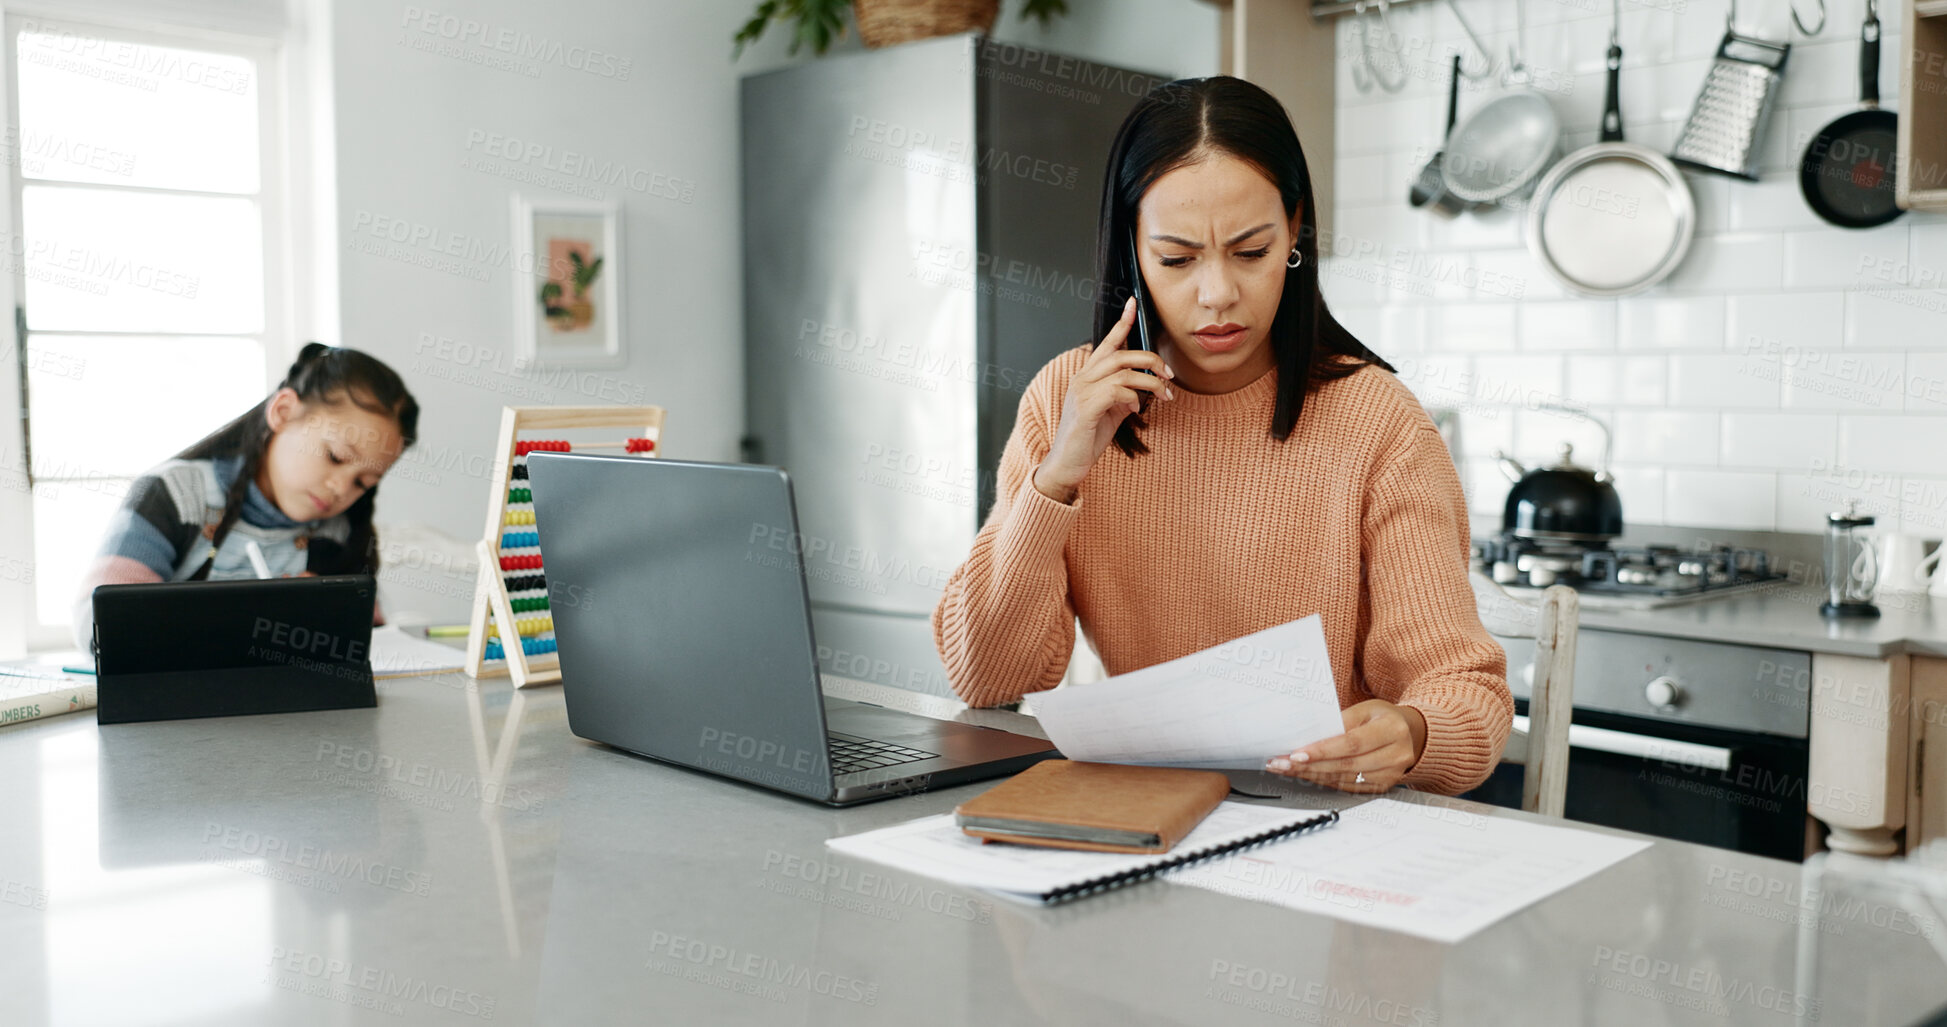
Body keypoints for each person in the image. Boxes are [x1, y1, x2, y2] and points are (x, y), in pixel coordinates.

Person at [930, 77, 1510, 796]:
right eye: (1175, 259)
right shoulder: (1065, 399)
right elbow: (987, 677)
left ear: (1293, 230)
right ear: (1131, 251)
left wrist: (1414, 732)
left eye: (1249, 251)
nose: (1216, 295)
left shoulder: (1378, 422)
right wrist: (1058, 474)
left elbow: (1466, 694)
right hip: (1156, 818)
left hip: (1332, 827)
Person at [71, 343, 420, 647]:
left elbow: (372, 643)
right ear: (283, 412)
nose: (342, 489)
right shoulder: (175, 496)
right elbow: (100, 625)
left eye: (364, 483)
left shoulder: (338, 532)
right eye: (335, 457)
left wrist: (330, 616)